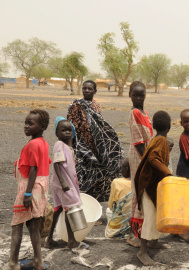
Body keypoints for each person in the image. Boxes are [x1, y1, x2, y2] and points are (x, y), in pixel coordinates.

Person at [7, 110, 51, 270]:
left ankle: (12, 263)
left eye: (30, 124)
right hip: (40, 187)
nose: (26, 126)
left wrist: (27, 193)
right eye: (25, 123)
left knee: (17, 224)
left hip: (29, 187)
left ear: (43, 126)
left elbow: (33, 169)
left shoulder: (33, 144)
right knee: (33, 225)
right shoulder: (43, 143)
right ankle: (38, 261)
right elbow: (45, 162)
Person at [67, 80, 123, 202]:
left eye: (90, 89)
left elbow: (100, 125)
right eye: (85, 88)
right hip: (81, 147)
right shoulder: (75, 105)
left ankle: (91, 205)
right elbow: (70, 128)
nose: (87, 90)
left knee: (96, 176)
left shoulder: (96, 105)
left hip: (96, 148)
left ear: (95, 91)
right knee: (82, 176)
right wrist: (71, 148)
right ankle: (80, 205)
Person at [134, 111, 172, 266]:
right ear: (169, 126)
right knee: (149, 218)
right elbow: (153, 159)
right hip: (149, 185)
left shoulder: (156, 139)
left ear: (154, 126)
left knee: (155, 213)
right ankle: (142, 252)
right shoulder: (161, 141)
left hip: (148, 184)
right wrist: (168, 174)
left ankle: (154, 241)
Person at [45, 117, 82, 249]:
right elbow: (56, 164)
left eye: (69, 130)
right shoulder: (59, 145)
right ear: (57, 132)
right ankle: (71, 241)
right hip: (63, 183)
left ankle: (49, 240)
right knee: (70, 208)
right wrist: (63, 183)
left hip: (62, 182)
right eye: (63, 130)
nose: (67, 132)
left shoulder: (68, 146)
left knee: (58, 209)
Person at [127, 81, 154, 246]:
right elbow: (138, 142)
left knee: (143, 191)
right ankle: (133, 235)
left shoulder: (144, 112)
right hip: (139, 155)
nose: (138, 98)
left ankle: (142, 231)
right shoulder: (135, 113)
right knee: (138, 190)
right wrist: (148, 161)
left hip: (145, 154)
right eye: (135, 95)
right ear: (130, 95)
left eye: (141, 95)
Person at [105, 158, 133, 239]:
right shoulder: (138, 182)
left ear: (127, 169)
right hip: (135, 226)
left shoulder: (117, 182)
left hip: (118, 227)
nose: (121, 171)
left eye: (122, 168)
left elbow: (110, 205)